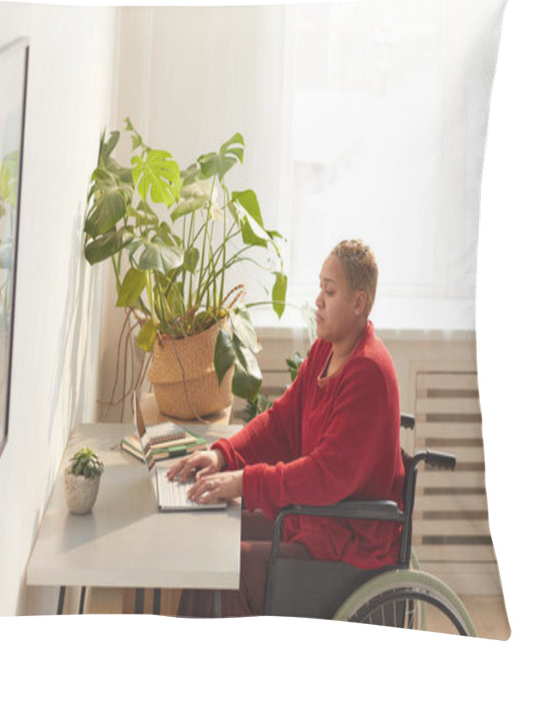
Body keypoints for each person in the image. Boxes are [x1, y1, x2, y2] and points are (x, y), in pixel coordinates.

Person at [168, 239, 405, 617]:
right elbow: (280, 423)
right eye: (320, 288)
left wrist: (244, 482)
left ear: (359, 303)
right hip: (314, 521)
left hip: (348, 543)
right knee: (211, 543)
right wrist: (222, 455)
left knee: (229, 570)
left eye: (330, 291)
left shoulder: (369, 372)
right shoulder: (324, 352)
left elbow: (326, 474)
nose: (318, 301)